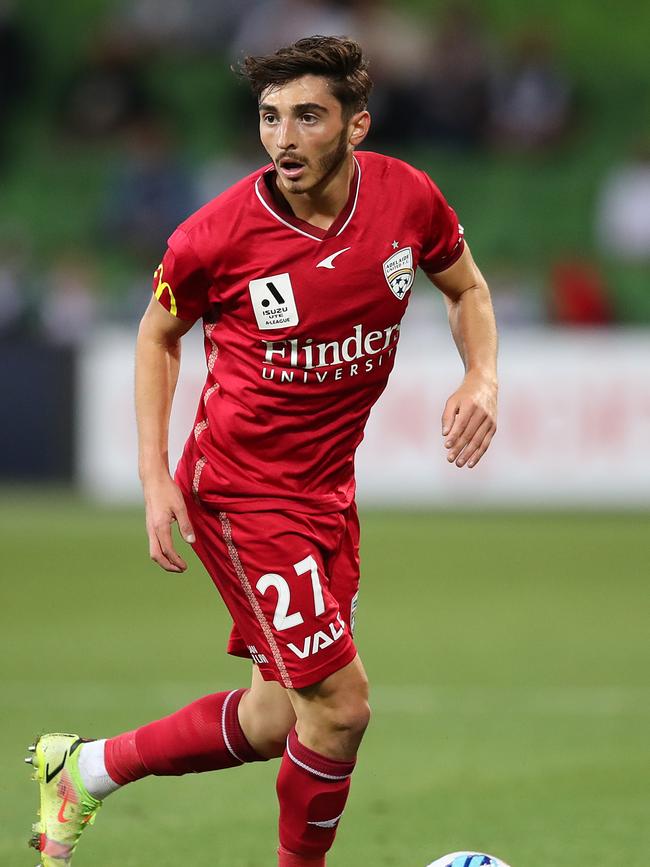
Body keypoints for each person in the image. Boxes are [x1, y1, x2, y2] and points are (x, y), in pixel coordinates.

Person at [27, 36, 498, 867]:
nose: (283, 138)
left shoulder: (407, 198)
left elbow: (465, 286)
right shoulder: (217, 234)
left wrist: (482, 376)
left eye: (306, 116)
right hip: (242, 493)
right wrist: (152, 475)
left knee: (279, 716)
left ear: (357, 126)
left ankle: (85, 770)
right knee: (342, 707)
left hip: (325, 491)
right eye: (269, 117)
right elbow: (157, 334)